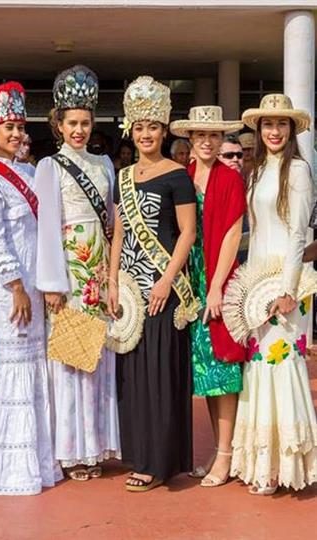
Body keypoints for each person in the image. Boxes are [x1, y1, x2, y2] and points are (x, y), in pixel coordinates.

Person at [0, 82, 63, 495]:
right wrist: (16, 287)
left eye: (19, 126)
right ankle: (9, 466)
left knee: (38, 363)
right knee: (16, 365)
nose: (15, 133)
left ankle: (41, 461)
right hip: (13, 285)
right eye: (7, 126)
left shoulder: (30, 171)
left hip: (36, 280)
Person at [108, 76, 197, 492]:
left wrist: (165, 281)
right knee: (134, 376)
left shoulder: (177, 175)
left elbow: (187, 233)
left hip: (164, 290)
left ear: (165, 129)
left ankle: (161, 460)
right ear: (131, 129)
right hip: (129, 290)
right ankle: (141, 454)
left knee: (161, 374)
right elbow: (120, 234)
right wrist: (111, 283)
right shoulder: (122, 176)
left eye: (153, 127)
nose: (145, 135)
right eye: (139, 127)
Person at [36, 65, 120, 482]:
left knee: (98, 356)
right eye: (72, 123)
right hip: (70, 268)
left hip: (99, 269)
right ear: (59, 123)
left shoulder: (105, 162)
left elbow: (112, 218)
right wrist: (52, 283)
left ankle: (98, 445)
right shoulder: (49, 167)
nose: (79, 130)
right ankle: (71, 450)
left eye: (85, 122)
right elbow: (47, 225)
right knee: (71, 359)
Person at [230, 94, 317, 495]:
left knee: (282, 363)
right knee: (259, 367)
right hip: (257, 286)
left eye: (282, 125)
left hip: (286, 286)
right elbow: (257, 231)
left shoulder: (298, 171)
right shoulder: (258, 169)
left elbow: (299, 234)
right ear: (259, 130)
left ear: (292, 130)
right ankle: (265, 463)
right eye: (268, 125)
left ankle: (288, 465)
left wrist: (288, 290)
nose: (275, 131)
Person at [169, 106, 246, 488]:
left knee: (225, 366)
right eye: (200, 134)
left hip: (217, 280)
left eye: (214, 135)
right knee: (206, 371)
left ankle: (227, 453)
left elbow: (233, 233)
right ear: (190, 138)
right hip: (190, 284)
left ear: (221, 140)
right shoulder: (182, 177)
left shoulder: (230, 179)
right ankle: (219, 451)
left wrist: (216, 286)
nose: (206, 141)